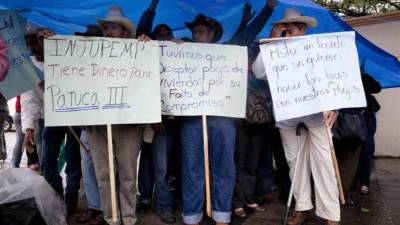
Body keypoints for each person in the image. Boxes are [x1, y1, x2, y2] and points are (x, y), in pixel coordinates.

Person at [252, 8, 340, 225]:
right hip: (287, 114)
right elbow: (258, 72)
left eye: (290, 31)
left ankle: (331, 214)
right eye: (284, 32)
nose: (287, 36)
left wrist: (334, 106)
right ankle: (302, 208)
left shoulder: (317, 48)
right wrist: (272, 41)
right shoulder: (276, 48)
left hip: (316, 111)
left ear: (302, 28)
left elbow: (333, 77)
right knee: (294, 162)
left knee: (323, 161)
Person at [86, 6, 149, 225]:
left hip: (128, 122)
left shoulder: (139, 52)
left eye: (114, 27)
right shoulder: (88, 53)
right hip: (98, 121)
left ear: (124, 33)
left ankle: (129, 218)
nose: (109, 31)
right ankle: (111, 218)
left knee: (128, 173)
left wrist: (146, 48)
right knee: (104, 173)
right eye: (107, 27)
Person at [73, 25, 105, 225]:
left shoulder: (112, 62)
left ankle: (108, 208)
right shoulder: (77, 64)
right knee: (88, 167)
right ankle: (94, 206)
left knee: (109, 169)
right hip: (87, 125)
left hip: (108, 124)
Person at [358, 72, 381, 194]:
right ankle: (357, 182)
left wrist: (366, 77)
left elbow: (377, 88)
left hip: (366, 119)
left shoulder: (365, 78)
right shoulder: (345, 77)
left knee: (366, 150)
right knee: (352, 151)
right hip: (350, 119)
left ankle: (364, 182)